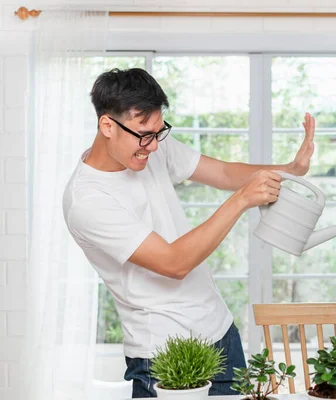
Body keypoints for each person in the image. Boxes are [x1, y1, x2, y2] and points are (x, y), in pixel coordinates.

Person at [62, 68, 315, 398]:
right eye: (144, 134)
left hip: (219, 332)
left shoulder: (151, 148)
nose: (152, 146)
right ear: (107, 125)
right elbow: (173, 263)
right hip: (162, 352)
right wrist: (241, 200)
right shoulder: (88, 199)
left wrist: (291, 170)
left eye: (158, 131)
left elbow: (223, 172)